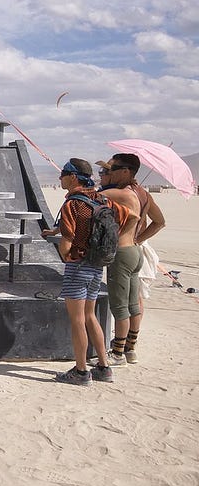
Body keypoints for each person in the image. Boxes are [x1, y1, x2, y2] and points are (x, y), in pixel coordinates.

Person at [41, 158, 129, 385]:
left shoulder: (72, 204)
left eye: (63, 174)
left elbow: (68, 242)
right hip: (96, 265)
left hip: (77, 266)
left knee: (77, 320)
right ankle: (103, 366)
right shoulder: (101, 199)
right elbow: (132, 217)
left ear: (73, 177)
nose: (60, 178)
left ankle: (80, 372)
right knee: (90, 316)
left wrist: (67, 256)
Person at [95, 154, 165, 364]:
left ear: (126, 172)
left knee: (119, 306)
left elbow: (92, 196)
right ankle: (130, 348)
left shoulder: (122, 193)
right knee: (134, 303)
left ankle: (117, 353)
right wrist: (137, 239)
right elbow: (159, 222)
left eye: (111, 169)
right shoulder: (143, 194)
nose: (108, 173)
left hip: (123, 253)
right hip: (135, 251)